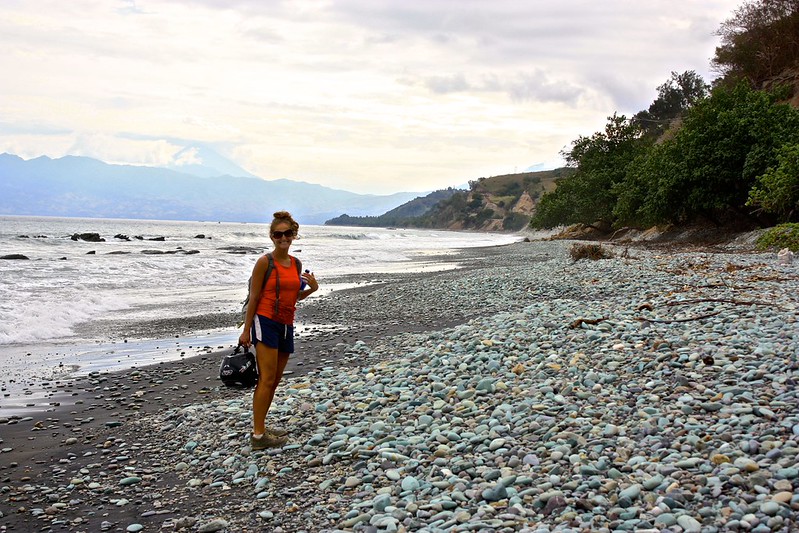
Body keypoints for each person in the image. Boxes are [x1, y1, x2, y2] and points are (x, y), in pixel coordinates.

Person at [238, 211, 318, 449]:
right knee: (267, 378)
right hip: (265, 321)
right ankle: (259, 436)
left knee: (274, 381)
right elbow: (254, 298)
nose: (283, 238)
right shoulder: (265, 262)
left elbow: (293, 296)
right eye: (278, 234)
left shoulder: (296, 264)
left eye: (288, 233)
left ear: (294, 235)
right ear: (272, 237)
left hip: (286, 323)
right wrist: (246, 331)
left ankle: (260, 426)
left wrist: (312, 289)